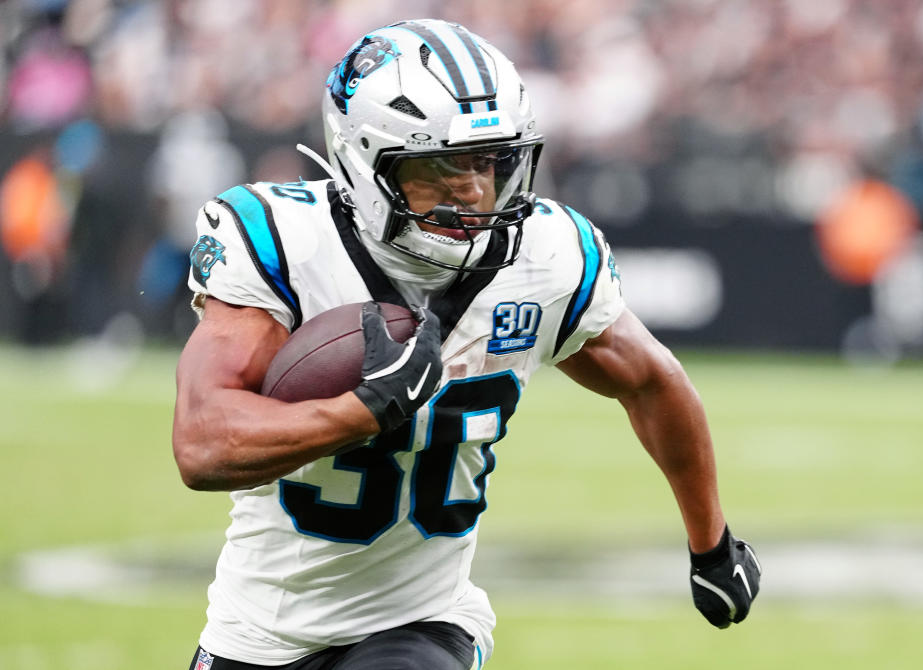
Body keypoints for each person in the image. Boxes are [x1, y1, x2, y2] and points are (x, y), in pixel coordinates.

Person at [173, 18, 761, 670]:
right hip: (256, 633)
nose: (475, 191)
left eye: (489, 162)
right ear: (362, 162)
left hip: (421, 623)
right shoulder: (286, 243)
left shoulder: (544, 255)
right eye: (442, 166)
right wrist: (361, 411)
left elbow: (651, 381)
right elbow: (201, 444)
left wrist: (712, 545)